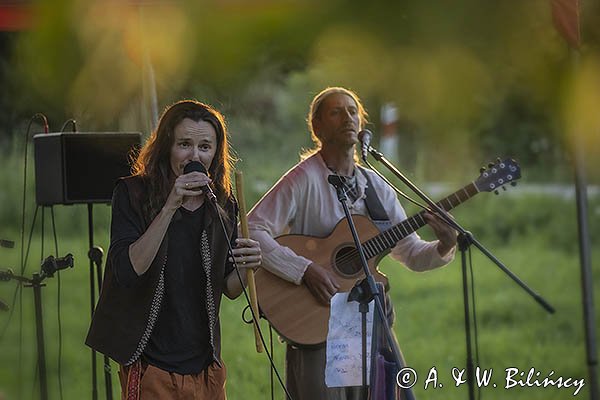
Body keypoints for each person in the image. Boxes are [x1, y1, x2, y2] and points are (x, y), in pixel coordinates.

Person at [247, 87, 457, 400]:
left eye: (352, 111)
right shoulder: (303, 179)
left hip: (369, 323)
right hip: (315, 320)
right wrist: (304, 270)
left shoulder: (376, 186)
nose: (347, 117)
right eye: (336, 111)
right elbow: (251, 229)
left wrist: (444, 245)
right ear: (316, 127)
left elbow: (411, 253)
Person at [86, 100, 261, 399]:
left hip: (205, 366)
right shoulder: (133, 194)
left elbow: (229, 289)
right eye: (184, 144)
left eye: (205, 147)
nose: (195, 155)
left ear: (216, 153)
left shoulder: (223, 205)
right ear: (167, 146)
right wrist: (170, 206)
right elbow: (128, 271)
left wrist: (248, 266)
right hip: (150, 364)